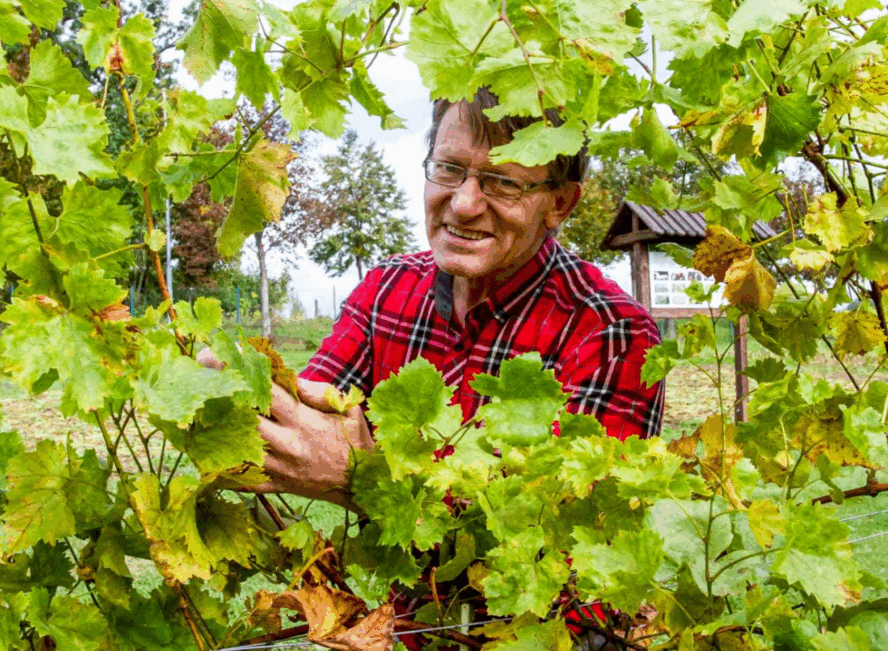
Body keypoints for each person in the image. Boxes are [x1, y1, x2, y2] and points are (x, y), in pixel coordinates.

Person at [205, 87, 664, 509]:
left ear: (560, 204)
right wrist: (232, 390)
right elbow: (306, 429)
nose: (464, 204)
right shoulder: (387, 289)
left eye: (502, 181)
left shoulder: (611, 336)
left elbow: (569, 557)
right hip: (384, 602)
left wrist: (362, 479)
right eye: (448, 168)